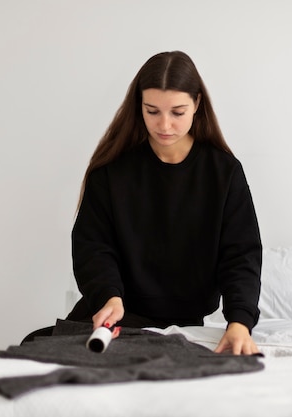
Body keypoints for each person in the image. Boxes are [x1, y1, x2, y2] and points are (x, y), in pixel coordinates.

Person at [66, 51, 262, 355]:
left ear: (197, 104)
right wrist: (108, 298)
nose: (165, 125)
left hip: (184, 327)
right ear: (139, 107)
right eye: (152, 111)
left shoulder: (224, 173)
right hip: (116, 319)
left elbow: (241, 254)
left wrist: (239, 321)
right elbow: (92, 247)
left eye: (178, 112)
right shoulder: (111, 172)